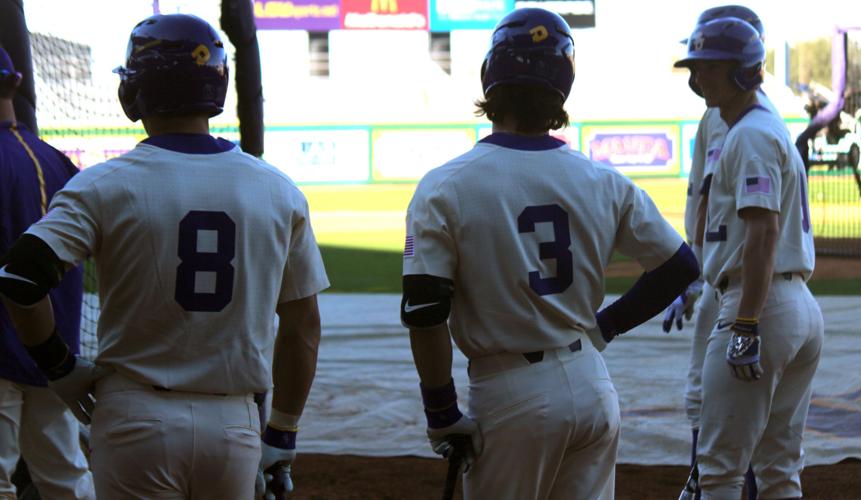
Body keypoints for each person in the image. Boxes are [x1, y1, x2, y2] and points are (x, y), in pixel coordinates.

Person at [0, 14, 329, 499]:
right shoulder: (279, 191)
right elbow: (302, 327)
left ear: (134, 90)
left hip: (135, 417)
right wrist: (282, 431)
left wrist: (61, 369)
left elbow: (21, 278)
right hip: (233, 424)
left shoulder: (103, 184)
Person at [401, 8, 699, 499]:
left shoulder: (444, 186)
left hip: (509, 394)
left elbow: (426, 311)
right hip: (591, 384)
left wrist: (441, 412)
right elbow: (680, 266)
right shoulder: (600, 179)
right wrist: (607, 325)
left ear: (490, 76)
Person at [674, 17, 823, 499]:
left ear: (741, 71)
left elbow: (762, 234)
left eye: (707, 68)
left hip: (760, 304)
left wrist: (745, 323)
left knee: (719, 471)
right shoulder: (757, 127)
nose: (697, 79)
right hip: (792, 304)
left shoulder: (751, 134)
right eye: (694, 68)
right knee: (779, 469)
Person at [665, 6, 779, 499]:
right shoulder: (721, 116)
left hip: (736, 280)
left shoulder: (750, 123)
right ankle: (709, 479)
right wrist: (692, 272)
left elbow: (749, 218)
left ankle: (713, 483)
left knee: (722, 403)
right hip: (718, 272)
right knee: (705, 397)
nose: (699, 76)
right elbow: (703, 199)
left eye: (708, 65)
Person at [0, 46, 95, 500]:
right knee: (66, 480)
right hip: (54, 353)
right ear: (16, 83)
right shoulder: (56, 160)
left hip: (1, 352)